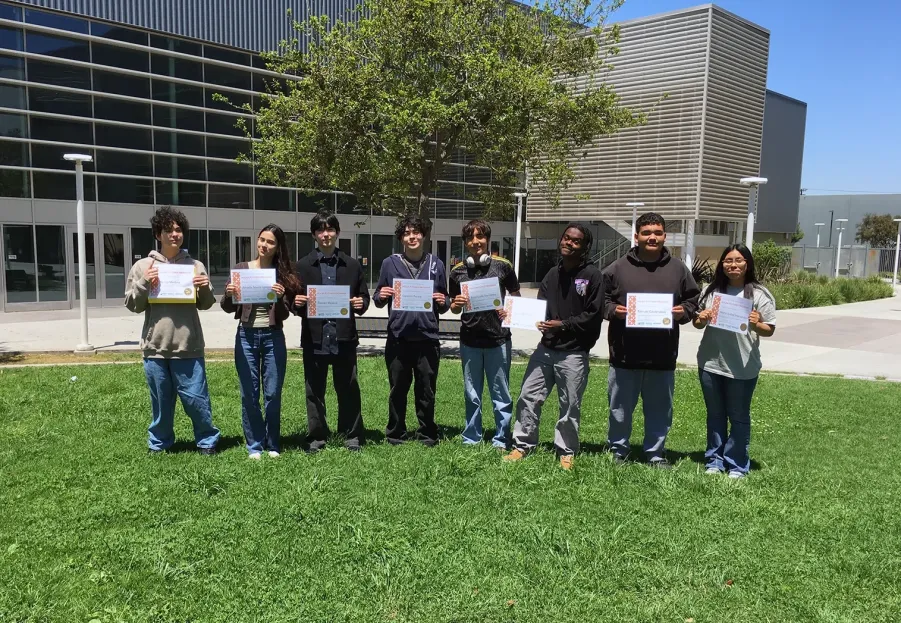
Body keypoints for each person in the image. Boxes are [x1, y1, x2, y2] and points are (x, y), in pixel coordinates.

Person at [603, 212, 700, 468]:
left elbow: (693, 299)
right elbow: (599, 299)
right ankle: (618, 450)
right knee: (620, 409)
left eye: (657, 232)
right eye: (646, 233)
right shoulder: (618, 267)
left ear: (665, 236)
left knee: (659, 410)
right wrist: (613, 311)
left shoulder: (678, 268)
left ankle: (655, 453)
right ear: (636, 236)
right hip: (625, 353)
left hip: (662, 353)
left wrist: (684, 312)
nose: (652, 237)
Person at [504, 223, 603, 470]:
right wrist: (531, 319)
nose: (569, 243)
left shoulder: (593, 276)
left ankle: (566, 451)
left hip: (574, 352)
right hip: (545, 349)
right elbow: (540, 308)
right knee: (528, 396)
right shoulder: (551, 274)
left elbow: (593, 314)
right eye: (566, 238)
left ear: (585, 247)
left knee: (569, 404)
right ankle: (523, 445)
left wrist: (564, 325)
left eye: (575, 241)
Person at [125, 206, 220, 454]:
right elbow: (132, 305)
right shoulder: (142, 266)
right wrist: (146, 282)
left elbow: (206, 304)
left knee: (196, 400)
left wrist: (205, 287)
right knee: (161, 403)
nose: (174, 234)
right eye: (168, 230)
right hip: (156, 347)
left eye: (178, 230)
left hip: (188, 345)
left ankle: (207, 440)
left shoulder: (194, 265)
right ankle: (159, 443)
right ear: (158, 234)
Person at [693, 244, 776, 479]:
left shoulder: (759, 294)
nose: (733, 265)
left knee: (738, 416)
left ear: (747, 264)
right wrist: (702, 317)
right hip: (711, 362)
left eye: (739, 260)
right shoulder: (712, 291)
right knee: (715, 414)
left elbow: (768, 329)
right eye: (728, 260)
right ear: (722, 264)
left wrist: (756, 323)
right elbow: (697, 323)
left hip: (742, 367)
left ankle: (737, 464)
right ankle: (714, 461)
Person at [221, 224, 300, 460]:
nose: (264, 245)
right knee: (249, 393)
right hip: (246, 335)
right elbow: (227, 307)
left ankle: (273, 443)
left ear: (278, 248)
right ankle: (254, 444)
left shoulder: (281, 275)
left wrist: (280, 297)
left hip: (273, 336)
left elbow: (285, 314)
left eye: (270, 242)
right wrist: (229, 293)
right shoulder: (241, 269)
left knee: (273, 393)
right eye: (262, 240)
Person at [293, 211, 370, 452]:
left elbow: (364, 297)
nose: (325, 234)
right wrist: (297, 303)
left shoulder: (352, 265)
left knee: (348, 388)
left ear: (337, 232)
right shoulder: (303, 266)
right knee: (314, 391)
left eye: (330, 229)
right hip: (315, 338)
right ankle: (317, 436)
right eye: (320, 230)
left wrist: (361, 304)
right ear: (314, 235)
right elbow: (293, 303)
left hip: (343, 337)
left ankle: (351, 436)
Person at [373, 214, 450, 446]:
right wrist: (382, 295)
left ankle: (427, 432)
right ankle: (395, 433)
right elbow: (377, 298)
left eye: (416, 232)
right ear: (401, 238)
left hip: (427, 337)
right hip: (399, 336)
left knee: (426, 388)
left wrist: (442, 300)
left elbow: (446, 302)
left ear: (424, 235)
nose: (412, 236)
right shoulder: (390, 263)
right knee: (398, 388)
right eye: (407, 233)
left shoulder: (436, 264)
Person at [449, 219, 521, 448]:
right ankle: (472, 437)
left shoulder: (503, 266)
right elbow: (453, 306)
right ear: (465, 243)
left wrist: (508, 307)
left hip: (498, 340)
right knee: (472, 393)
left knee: (501, 393)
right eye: (470, 238)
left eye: (480, 237)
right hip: (469, 340)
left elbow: (516, 296)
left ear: (487, 239)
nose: (475, 242)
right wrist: (455, 304)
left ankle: (501, 438)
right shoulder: (457, 271)